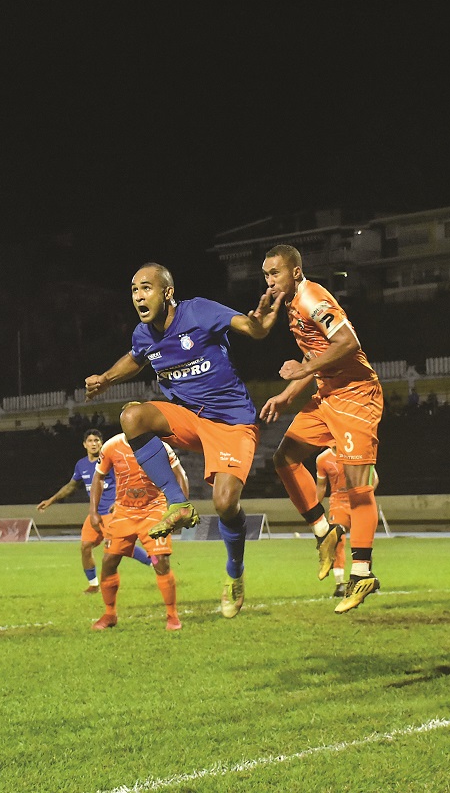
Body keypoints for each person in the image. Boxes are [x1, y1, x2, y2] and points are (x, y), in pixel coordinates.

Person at [84, 263, 282, 619]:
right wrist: (106, 379)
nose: (139, 296)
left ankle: (234, 573)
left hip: (231, 421)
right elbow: (135, 358)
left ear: (167, 292)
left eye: (146, 287)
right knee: (132, 416)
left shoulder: (199, 311)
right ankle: (178, 503)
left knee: (224, 504)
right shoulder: (144, 334)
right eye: (133, 290)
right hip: (190, 420)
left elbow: (249, 327)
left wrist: (259, 324)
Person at [258, 244, 385, 614]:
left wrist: (303, 371)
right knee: (285, 458)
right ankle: (322, 532)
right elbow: (313, 356)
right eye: (266, 274)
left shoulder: (312, 296)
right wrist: (286, 396)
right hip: (327, 394)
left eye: (276, 273)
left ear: (295, 272)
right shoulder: (291, 305)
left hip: (355, 397)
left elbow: (348, 342)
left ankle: (362, 573)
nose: (270, 280)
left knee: (358, 486)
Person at [89, 424, 189, 631]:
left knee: (160, 561)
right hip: (124, 512)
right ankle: (109, 614)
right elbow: (98, 477)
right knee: (109, 561)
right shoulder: (111, 446)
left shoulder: (159, 446)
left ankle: (172, 616)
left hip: (154, 510)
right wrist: (93, 511)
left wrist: (181, 508)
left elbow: (180, 474)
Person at [37, 429, 151, 594]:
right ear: (84, 444)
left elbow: (127, 479)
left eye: (97, 440)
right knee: (85, 546)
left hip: (112, 512)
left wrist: (121, 501)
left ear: (101, 443)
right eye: (90, 441)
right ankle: (93, 585)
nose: (93, 444)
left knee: (122, 547)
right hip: (94, 514)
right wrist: (51, 500)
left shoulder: (111, 460)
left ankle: (155, 562)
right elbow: (71, 486)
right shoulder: (81, 465)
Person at [316, 446, 381, 597]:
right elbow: (321, 487)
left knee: (363, 542)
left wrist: (365, 496)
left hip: (357, 501)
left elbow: (374, 479)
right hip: (337, 503)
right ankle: (340, 584)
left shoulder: (359, 451)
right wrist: (314, 513)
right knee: (338, 541)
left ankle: (365, 578)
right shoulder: (323, 459)